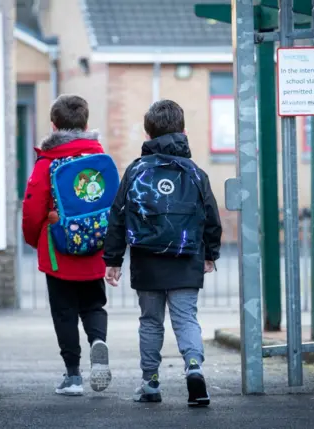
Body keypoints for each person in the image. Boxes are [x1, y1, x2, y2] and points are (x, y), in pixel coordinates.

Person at [103, 99, 222, 407]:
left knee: (151, 322)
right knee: (185, 319)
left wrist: (113, 260)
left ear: (147, 135)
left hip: (147, 260)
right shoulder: (195, 172)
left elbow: (117, 216)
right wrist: (211, 253)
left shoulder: (136, 170)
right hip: (186, 258)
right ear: (183, 131)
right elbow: (210, 215)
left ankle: (151, 384)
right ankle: (194, 369)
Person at [22, 94, 118, 396]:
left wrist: (34, 237)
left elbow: (33, 206)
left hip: (58, 249)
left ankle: (73, 376)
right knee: (94, 304)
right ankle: (98, 341)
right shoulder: (99, 158)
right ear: (86, 123)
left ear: (53, 125)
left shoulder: (47, 161)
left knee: (63, 311)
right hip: (95, 246)